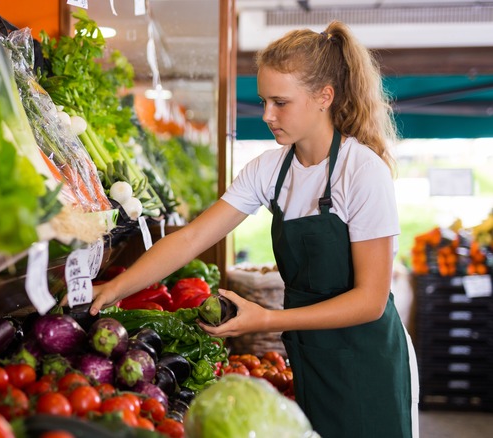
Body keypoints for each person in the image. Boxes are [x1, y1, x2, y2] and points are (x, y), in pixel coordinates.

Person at [89, 21, 418, 438]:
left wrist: (265, 319)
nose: (266, 115)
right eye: (264, 101)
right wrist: (114, 290)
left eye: (280, 102)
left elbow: (370, 300)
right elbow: (191, 238)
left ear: (324, 97)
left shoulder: (362, 171)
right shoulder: (270, 169)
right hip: (310, 353)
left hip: (367, 358)